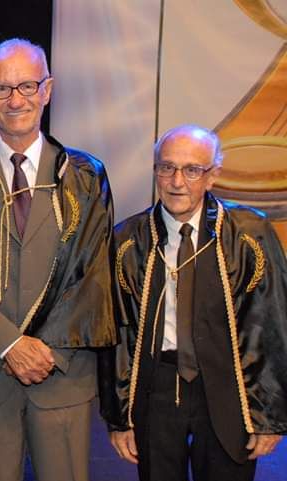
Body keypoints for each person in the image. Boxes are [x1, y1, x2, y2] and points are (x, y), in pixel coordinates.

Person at [0, 38, 116, 481]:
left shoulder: (85, 175)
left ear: (48, 90)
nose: (16, 100)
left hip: (62, 373)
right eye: (3, 88)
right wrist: (11, 346)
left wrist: (44, 351)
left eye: (28, 86)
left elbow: (94, 273)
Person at [101, 124, 287, 480]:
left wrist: (269, 416)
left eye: (192, 170)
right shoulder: (128, 240)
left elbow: (272, 322)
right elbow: (118, 334)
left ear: (212, 175)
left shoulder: (250, 233)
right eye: (166, 167)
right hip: (157, 390)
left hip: (228, 390)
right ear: (155, 170)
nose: (177, 182)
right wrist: (119, 416)